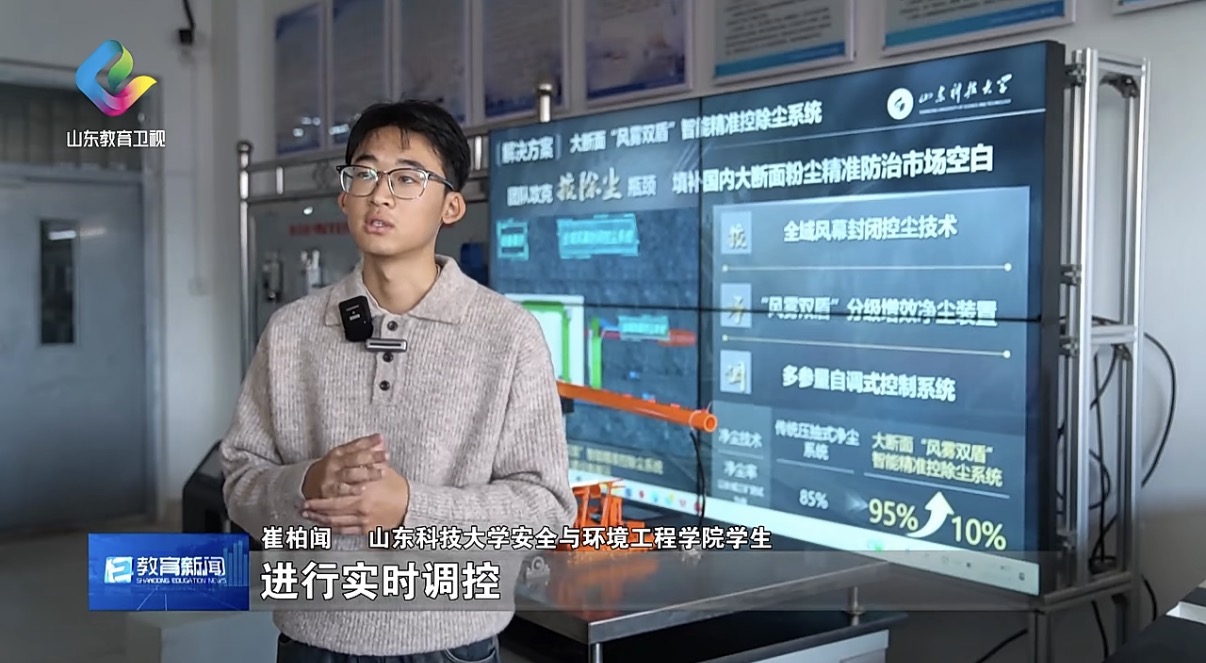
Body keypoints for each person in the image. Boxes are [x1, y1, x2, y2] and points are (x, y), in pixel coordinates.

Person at [220, 100, 576, 663]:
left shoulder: (507, 335)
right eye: (364, 174)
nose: (380, 195)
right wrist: (306, 484)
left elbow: (546, 510)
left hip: (450, 645)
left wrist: (412, 509)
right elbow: (241, 482)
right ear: (344, 196)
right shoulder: (292, 331)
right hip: (314, 641)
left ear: (451, 206)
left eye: (407, 178)